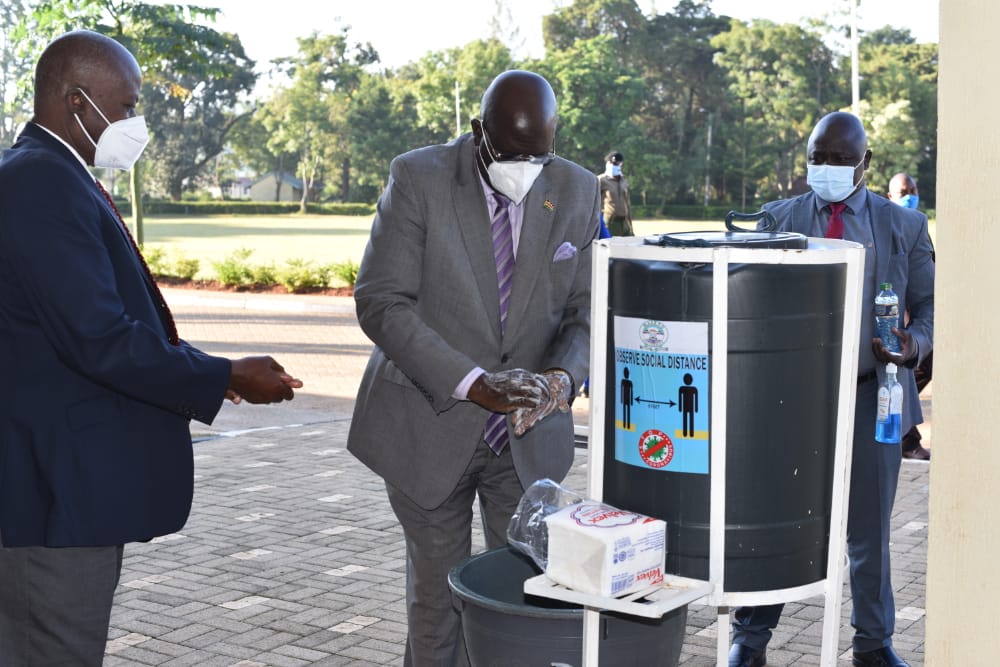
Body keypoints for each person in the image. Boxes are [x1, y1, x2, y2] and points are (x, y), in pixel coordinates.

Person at [0, 30, 303, 666]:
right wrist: (224, 375)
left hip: (60, 484)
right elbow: (99, 338)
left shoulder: (55, 173)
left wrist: (216, 373)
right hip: (51, 495)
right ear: (75, 100)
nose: (135, 122)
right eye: (128, 105)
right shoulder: (39, 183)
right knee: (52, 650)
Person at [348, 69, 599, 665]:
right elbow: (381, 301)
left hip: (527, 436)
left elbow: (591, 310)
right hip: (428, 422)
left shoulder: (578, 188)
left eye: (537, 154)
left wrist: (562, 380)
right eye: (511, 154)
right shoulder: (420, 176)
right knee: (439, 603)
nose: (525, 167)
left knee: (519, 598)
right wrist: (474, 383)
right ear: (477, 130)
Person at [728, 112, 934, 667]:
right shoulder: (777, 218)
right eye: (819, 157)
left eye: (841, 160)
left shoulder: (904, 226)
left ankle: (872, 644)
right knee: (775, 518)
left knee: (868, 530)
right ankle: (749, 641)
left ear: (865, 164)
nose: (828, 169)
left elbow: (931, 305)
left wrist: (912, 345)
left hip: (873, 395)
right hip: (786, 398)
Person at [887, 172, 933, 460]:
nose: (909, 195)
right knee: (904, 375)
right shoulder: (885, 224)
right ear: (890, 196)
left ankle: (907, 438)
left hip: (918, 324)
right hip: (896, 322)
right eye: (904, 191)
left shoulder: (917, 225)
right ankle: (907, 440)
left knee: (918, 369)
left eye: (913, 190)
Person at [599, 150, 633, 236]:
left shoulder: (624, 181)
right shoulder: (601, 180)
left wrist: (630, 223)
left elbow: (627, 204)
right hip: (610, 221)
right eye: (613, 164)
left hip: (624, 221)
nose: (615, 166)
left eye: (618, 164)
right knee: (612, 247)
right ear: (608, 164)